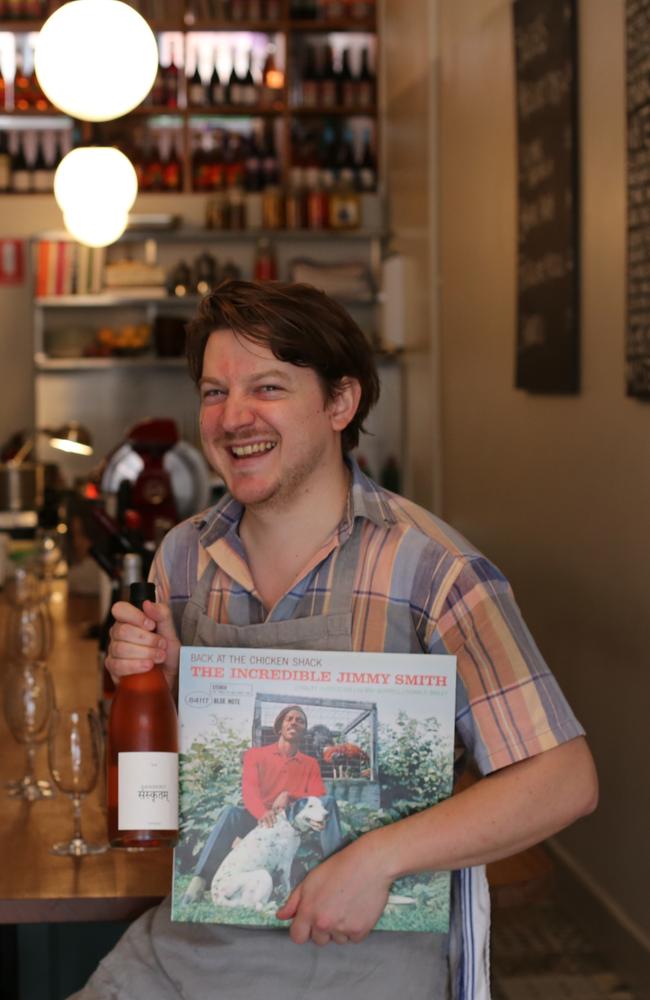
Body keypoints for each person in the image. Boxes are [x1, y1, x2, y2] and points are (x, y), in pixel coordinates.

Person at [71, 280, 598, 1000]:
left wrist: (376, 859)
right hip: (192, 946)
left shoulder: (434, 572)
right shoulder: (182, 560)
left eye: (268, 387)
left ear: (341, 404)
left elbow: (564, 779)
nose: (233, 418)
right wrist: (151, 683)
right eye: (214, 392)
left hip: (365, 957)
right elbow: (162, 798)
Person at [181, 703, 344, 904]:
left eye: (300, 720)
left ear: (304, 731)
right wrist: (262, 813)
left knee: (328, 802)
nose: (294, 722)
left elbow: (317, 796)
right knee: (231, 812)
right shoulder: (256, 755)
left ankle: (338, 877)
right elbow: (249, 791)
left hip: (292, 824)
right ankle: (198, 883)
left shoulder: (310, 764)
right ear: (279, 727)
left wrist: (289, 794)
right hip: (259, 821)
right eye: (289, 718)